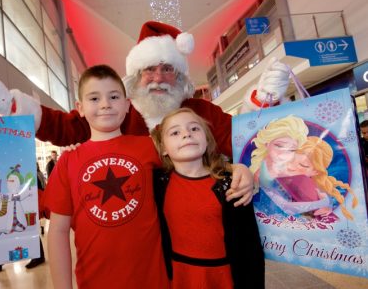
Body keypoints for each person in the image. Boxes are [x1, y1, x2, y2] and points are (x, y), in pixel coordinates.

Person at [0, 21, 292, 206]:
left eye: (168, 69)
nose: (160, 78)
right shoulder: (118, 110)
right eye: (150, 69)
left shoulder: (200, 110)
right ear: (136, 76)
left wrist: (261, 101)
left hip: (196, 215)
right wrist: (9, 106)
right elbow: (63, 127)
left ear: (180, 76)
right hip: (137, 220)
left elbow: (243, 142)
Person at [44, 65, 169, 289]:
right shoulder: (68, 161)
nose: (105, 104)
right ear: (80, 108)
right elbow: (57, 231)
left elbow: (194, 168)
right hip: (94, 281)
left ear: (128, 104)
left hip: (153, 280)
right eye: (94, 98)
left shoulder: (151, 146)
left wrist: (236, 170)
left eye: (113, 96)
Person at [151, 107, 264, 289]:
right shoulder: (157, 183)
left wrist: (238, 169)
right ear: (163, 148)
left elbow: (249, 247)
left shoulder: (232, 184)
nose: (187, 134)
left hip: (222, 276)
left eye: (195, 128)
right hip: (178, 276)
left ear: (207, 139)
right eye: (175, 132)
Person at [249, 116, 331, 216]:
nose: (283, 153)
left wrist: (326, 204)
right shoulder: (261, 173)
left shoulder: (286, 170)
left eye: (291, 150)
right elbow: (286, 207)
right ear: (267, 143)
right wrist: (323, 202)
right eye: (279, 145)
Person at [285, 136, 358, 220]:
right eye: (291, 160)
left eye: (303, 165)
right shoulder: (280, 176)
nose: (292, 167)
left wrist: (327, 206)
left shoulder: (314, 187)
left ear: (316, 171)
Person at [25, 162, 46, 269]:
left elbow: (39, 189)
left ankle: (38, 256)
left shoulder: (31, 174)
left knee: (31, 230)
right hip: (27, 204)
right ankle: (38, 256)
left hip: (29, 205)